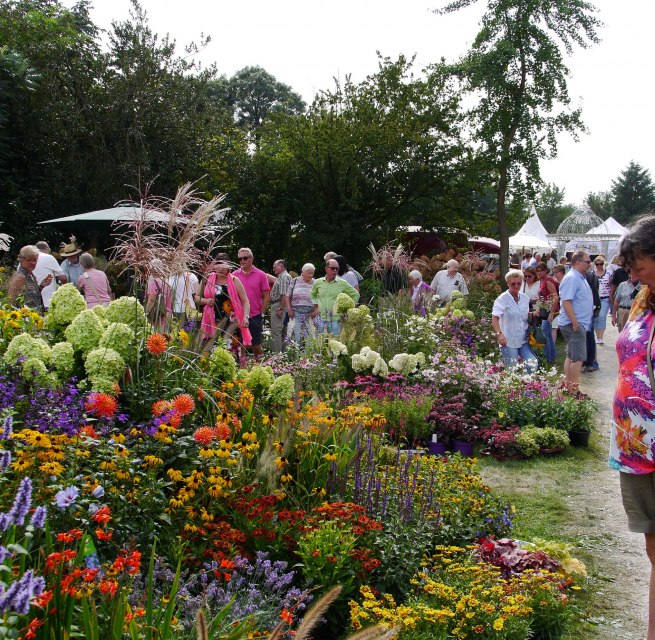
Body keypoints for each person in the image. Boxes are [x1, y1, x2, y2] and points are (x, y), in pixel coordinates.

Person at [608, 215, 655, 640]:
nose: (632, 271)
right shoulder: (644, 298)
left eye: (638, 262)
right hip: (636, 447)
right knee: (653, 549)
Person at [195, 257, 250, 353]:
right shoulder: (207, 278)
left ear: (228, 266)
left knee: (230, 351)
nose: (220, 268)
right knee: (209, 350)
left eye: (224, 265)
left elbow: (245, 301)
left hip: (230, 322)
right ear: (214, 266)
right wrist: (206, 301)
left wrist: (246, 317)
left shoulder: (234, 280)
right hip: (210, 321)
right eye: (218, 265)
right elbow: (196, 298)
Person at [558, 251, 594, 389]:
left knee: (571, 355)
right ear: (578, 262)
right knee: (578, 358)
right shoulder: (572, 278)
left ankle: (568, 386)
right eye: (587, 262)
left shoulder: (579, 277)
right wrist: (575, 323)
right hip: (574, 324)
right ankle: (573, 390)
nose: (589, 264)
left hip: (576, 323)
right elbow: (566, 302)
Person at [491, 269, 538, 372]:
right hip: (508, 340)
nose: (516, 286)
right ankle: (512, 387)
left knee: (532, 364)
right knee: (512, 369)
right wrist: (499, 334)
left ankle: (527, 386)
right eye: (513, 284)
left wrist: (533, 315)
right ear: (508, 283)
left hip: (523, 339)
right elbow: (495, 318)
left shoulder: (525, 298)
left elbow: (523, 316)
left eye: (519, 283)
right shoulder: (502, 299)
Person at [234, 248, 270, 359]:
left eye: (245, 258)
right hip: (238, 316)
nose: (242, 261)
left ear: (252, 259)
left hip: (255, 315)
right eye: (240, 259)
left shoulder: (261, 275)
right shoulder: (234, 275)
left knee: (256, 345)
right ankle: (242, 370)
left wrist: (262, 314)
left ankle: (261, 368)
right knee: (239, 345)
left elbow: (266, 296)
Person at [310, 258, 359, 336]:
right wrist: (316, 307)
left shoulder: (342, 283)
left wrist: (347, 308)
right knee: (320, 345)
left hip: (336, 320)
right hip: (321, 319)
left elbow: (356, 295)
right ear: (326, 269)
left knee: (335, 344)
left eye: (337, 269)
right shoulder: (318, 282)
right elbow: (312, 294)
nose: (335, 271)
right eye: (332, 268)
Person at [8, 245, 52, 314]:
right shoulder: (20, 277)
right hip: (26, 319)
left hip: (35, 317)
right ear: (21, 259)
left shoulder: (30, 274)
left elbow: (32, 295)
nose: (33, 263)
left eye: (35, 260)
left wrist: (41, 286)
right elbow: (11, 301)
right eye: (29, 260)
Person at [286, 263, 318, 345]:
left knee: (310, 339)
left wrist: (316, 311)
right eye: (309, 273)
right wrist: (289, 310)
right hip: (296, 313)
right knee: (296, 338)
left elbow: (321, 298)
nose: (311, 275)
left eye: (312, 273)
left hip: (310, 315)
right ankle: (296, 356)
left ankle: (309, 357)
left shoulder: (316, 283)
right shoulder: (294, 281)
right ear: (303, 272)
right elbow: (287, 296)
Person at [535, 262, 560, 365]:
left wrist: (552, 313)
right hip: (545, 310)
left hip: (551, 311)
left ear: (546, 270)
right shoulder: (542, 280)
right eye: (538, 270)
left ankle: (547, 357)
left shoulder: (548, 280)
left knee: (544, 333)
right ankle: (551, 356)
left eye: (541, 270)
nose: (539, 272)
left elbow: (555, 296)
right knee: (548, 334)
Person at [33, 241, 67, 310]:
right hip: (47, 301)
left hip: (30, 301)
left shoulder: (28, 259)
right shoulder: (48, 257)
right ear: (47, 249)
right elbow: (63, 278)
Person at [269, 259, 292, 353]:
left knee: (276, 332)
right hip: (282, 305)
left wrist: (280, 308)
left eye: (275, 266)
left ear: (281, 266)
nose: (273, 269)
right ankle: (284, 357)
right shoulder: (284, 277)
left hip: (279, 305)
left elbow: (284, 294)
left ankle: (276, 357)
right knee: (283, 333)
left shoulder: (283, 277)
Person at [145, 259, 173, 330]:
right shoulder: (166, 282)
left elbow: (151, 300)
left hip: (157, 316)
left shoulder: (153, 283)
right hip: (167, 315)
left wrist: (145, 313)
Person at [593, 254, 612, 344]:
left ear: (603, 264)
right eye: (597, 264)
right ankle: (598, 336)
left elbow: (612, 285)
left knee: (602, 316)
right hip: (595, 299)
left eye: (601, 264)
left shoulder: (608, 273)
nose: (599, 266)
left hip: (605, 298)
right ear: (595, 265)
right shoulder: (592, 274)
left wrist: (612, 296)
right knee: (596, 317)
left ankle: (601, 336)